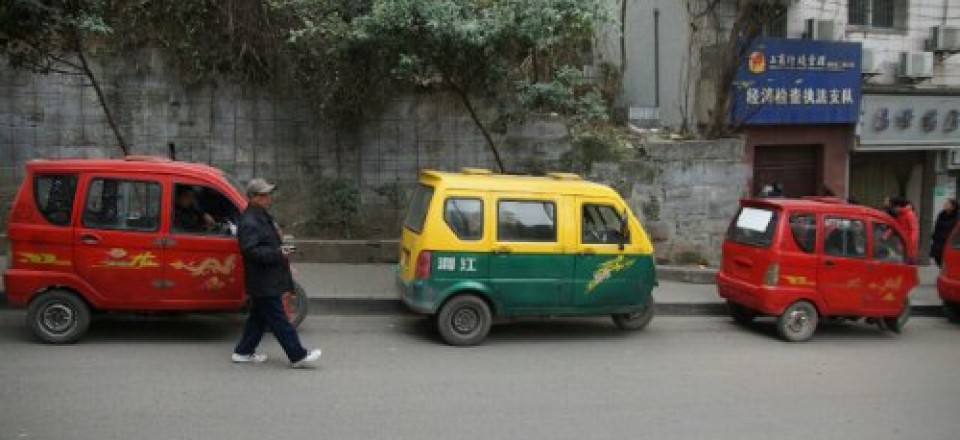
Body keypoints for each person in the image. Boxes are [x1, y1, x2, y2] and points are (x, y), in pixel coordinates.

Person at [232, 178, 321, 368]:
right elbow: (250, 251)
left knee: (259, 317)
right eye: (263, 195)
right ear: (252, 197)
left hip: (267, 277)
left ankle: (243, 351)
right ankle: (298, 355)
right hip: (262, 279)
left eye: (268, 194)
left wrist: (281, 248)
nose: (268, 198)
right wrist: (277, 252)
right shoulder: (249, 221)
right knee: (279, 319)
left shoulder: (260, 215)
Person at [931, 198, 959, 267]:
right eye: (945, 203)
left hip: (948, 242)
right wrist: (934, 236)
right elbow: (937, 226)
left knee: (946, 261)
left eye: (947, 204)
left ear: (953, 207)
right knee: (937, 259)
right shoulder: (941, 214)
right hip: (938, 241)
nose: (945, 205)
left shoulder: (957, 217)